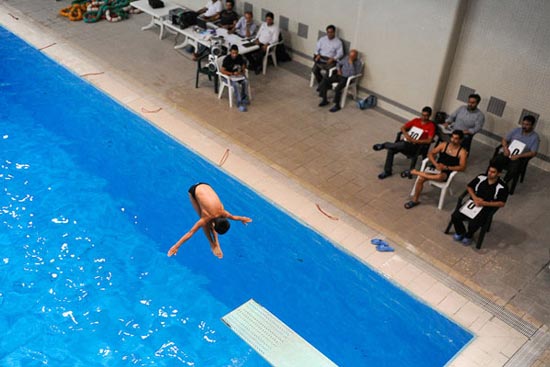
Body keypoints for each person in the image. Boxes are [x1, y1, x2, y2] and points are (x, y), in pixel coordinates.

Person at [168, 183, 252, 259]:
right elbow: (191, 232)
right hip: (193, 190)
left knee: (207, 220)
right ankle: (213, 244)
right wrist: (176, 246)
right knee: (205, 222)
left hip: (206, 185)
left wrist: (243, 219)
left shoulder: (223, 212)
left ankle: (215, 244)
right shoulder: (206, 217)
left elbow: (234, 217)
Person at [405, 130, 468, 209]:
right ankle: (415, 200)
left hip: (446, 171)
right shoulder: (444, 145)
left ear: (460, 140)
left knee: (439, 177)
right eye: (452, 137)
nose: (453, 140)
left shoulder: (462, 152)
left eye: (456, 139)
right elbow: (430, 154)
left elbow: (462, 167)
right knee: (421, 179)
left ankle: (415, 172)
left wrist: (446, 167)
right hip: (436, 167)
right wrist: (436, 164)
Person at [450, 163, 508, 246]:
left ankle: (469, 235)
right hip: (473, 202)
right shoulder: (481, 177)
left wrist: (484, 203)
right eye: (489, 171)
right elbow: (469, 187)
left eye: (493, 172)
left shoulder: (502, 187)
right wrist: (475, 198)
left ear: (498, 174)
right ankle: (461, 232)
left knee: (473, 223)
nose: (490, 173)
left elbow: (501, 203)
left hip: (486, 207)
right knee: (455, 216)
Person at [373, 106, 436, 179]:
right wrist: (406, 135)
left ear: (429, 116)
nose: (424, 117)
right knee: (391, 150)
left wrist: (416, 141)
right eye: (422, 115)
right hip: (406, 141)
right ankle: (387, 171)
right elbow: (403, 128)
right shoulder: (416, 120)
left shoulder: (431, 126)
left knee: (401, 144)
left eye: (426, 116)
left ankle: (384, 145)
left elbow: (429, 140)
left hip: (416, 146)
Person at [491, 115, 539, 183]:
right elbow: (504, 139)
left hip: (519, 157)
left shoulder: (535, 137)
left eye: (527, 125)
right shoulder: (516, 130)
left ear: (532, 126)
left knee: (513, 169)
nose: (524, 126)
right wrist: (505, 148)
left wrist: (518, 156)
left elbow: (533, 153)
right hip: (508, 152)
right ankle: (493, 176)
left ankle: (504, 182)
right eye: (523, 124)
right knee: (495, 161)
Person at [221, 45, 250, 112]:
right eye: (233, 53)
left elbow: (243, 66)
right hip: (229, 76)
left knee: (245, 81)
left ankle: (244, 99)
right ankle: (239, 103)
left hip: (237, 75)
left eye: (236, 53)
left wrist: (241, 71)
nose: (234, 55)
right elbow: (222, 71)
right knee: (236, 85)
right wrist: (232, 74)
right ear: (230, 52)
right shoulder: (227, 59)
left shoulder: (239, 57)